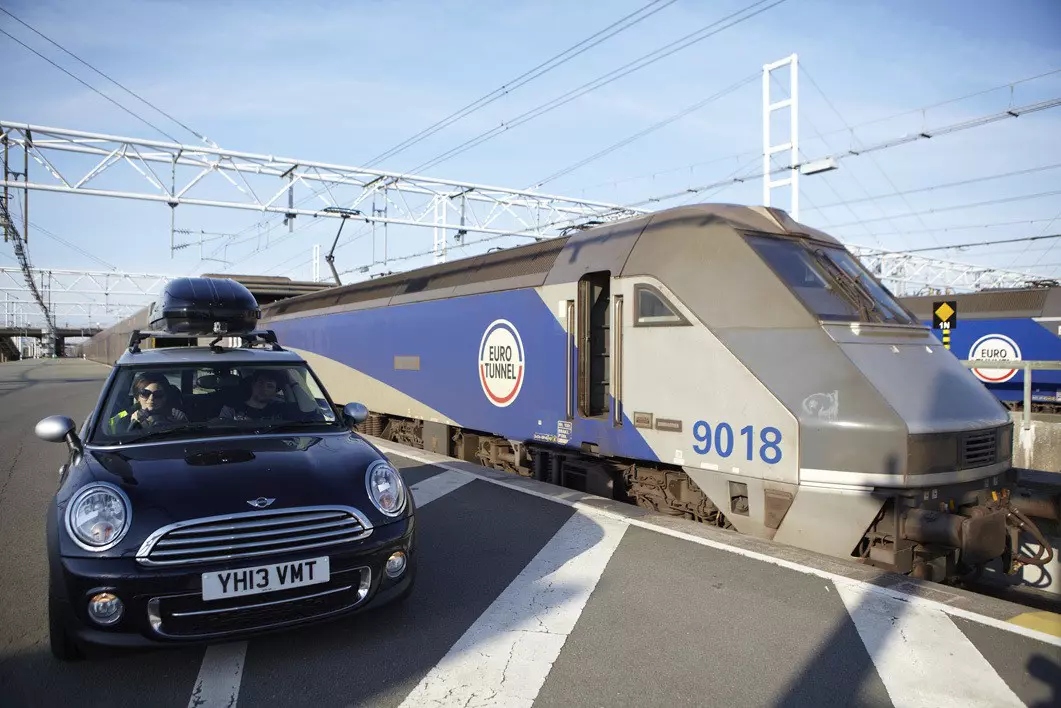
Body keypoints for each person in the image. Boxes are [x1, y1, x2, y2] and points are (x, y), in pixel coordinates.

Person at [108, 371, 188, 433]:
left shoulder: (177, 416)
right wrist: (131, 423)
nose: (151, 398)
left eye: (158, 394)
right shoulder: (122, 418)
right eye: (145, 393)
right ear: (137, 396)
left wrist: (182, 423)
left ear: (165, 397)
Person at [217, 370, 289, 421]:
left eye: (270, 386)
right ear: (253, 384)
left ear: (275, 392)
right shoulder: (231, 409)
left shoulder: (280, 410)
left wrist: (292, 383)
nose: (264, 388)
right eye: (260, 382)